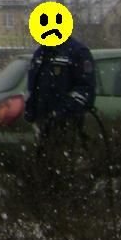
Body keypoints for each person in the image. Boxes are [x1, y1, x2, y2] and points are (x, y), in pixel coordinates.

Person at [23, 33, 96, 169]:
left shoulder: (77, 52)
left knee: (64, 168)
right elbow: (33, 85)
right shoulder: (41, 52)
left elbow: (86, 89)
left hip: (67, 125)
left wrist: (62, 112)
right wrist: (31, 109)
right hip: (43, 124)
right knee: (44, 168)